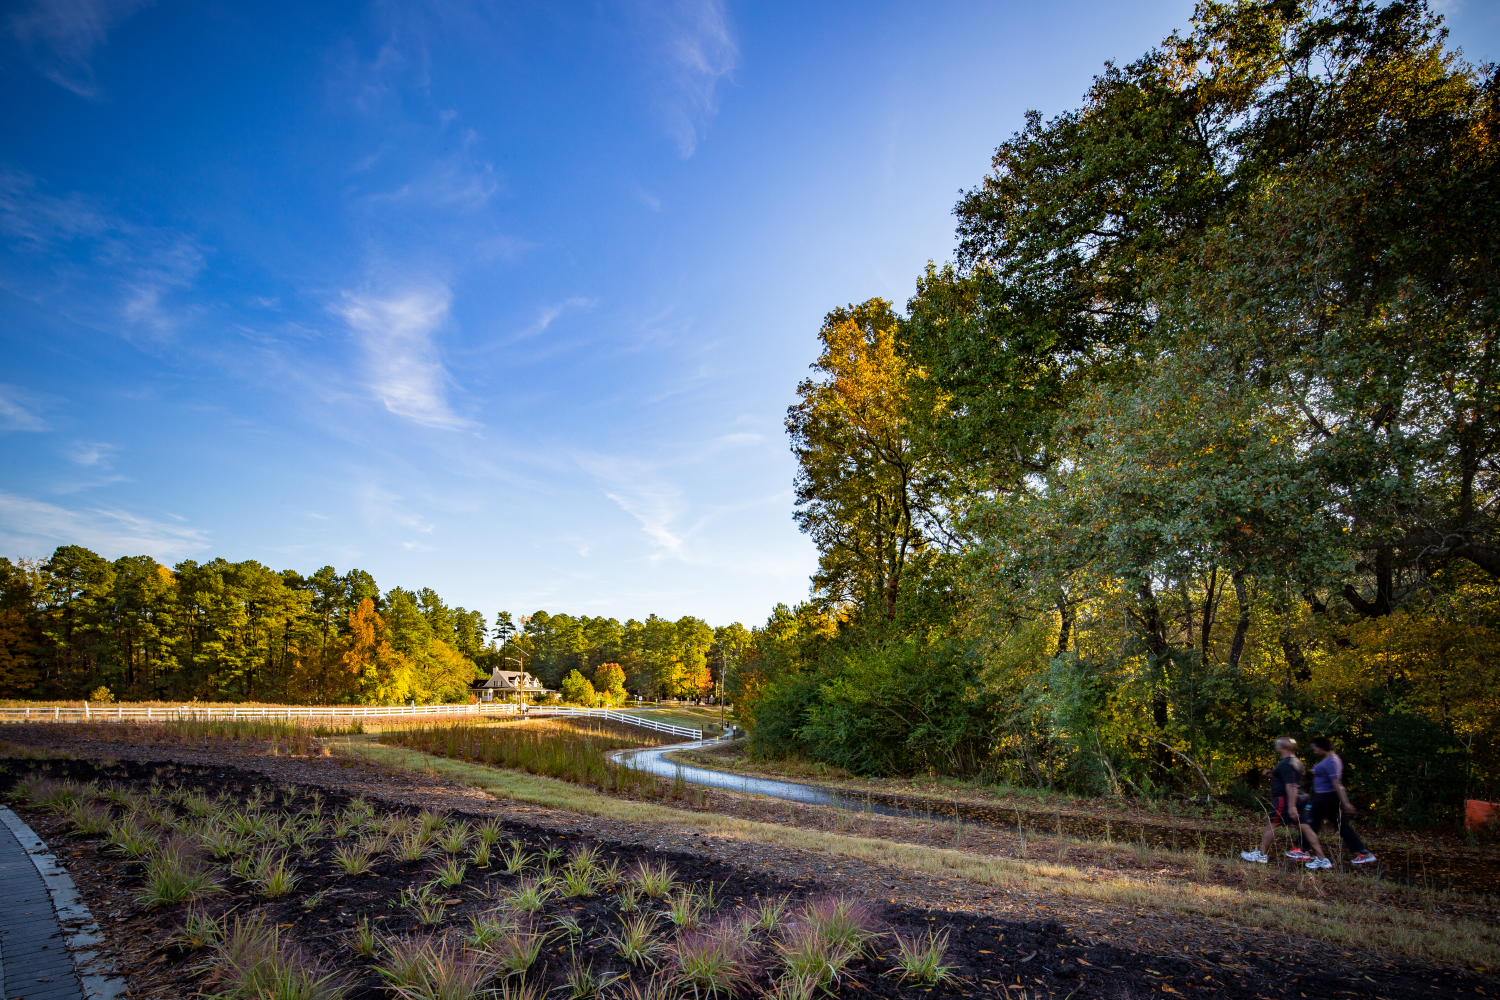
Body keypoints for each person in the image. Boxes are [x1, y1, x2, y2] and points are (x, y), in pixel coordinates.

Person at [1241, 737, 1332, 869]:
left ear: (1282, 747)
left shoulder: (1286, 764)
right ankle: (1322, 859)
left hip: (1285, 799)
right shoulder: (1295, 761)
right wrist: (1272, 774)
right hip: (1297, 799)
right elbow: (1288, 778)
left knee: (1271, 825)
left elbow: (1291, 786)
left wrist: (1291, 807)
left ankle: (1261, 855)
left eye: (1277, 745)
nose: (1275, 747)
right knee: (1306, 828)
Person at [1308, 736, 1377, 865]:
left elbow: (1337, 783)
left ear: (1322, 747)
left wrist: (1345, 802)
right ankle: (1362, 852)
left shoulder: (1332, 761)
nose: (1315, 751)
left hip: (1327, 797)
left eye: (1315, 748)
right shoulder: (1329, 759)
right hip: (1323, 797)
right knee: (1333, 825)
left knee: (1314, 823)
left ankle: (1302, 849)